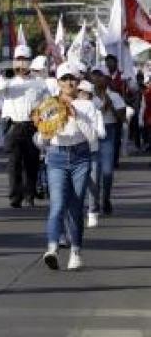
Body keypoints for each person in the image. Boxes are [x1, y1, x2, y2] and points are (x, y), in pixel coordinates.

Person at [35, 63, 101, 271]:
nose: (68, 83)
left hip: (80, 156)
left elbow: (92, 139)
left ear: (78, 81)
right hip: (56, 157)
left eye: (72, 79)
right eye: (64, 79)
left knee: (75, 205)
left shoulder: (87, 106)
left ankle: (75, 251)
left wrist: (75, 115)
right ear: (58, 82)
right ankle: (52, 248)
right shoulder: (48, 105)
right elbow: (40, 138)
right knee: (57, 204)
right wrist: (42, 133)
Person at [0, 45, 48, 208]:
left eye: (25, 60)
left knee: (31, 163)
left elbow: (47, 102)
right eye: (19, 60)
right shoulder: (8, 80)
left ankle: (29, 194)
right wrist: (7, 76)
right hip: (13, 125)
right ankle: (15, 196)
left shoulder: (38, 82)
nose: (22, 64)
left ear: (30, 63)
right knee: (14, 162)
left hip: (32, 125)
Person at [87, 64, 126, 222]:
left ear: (107, 78)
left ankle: (106, 199)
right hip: (92, 134)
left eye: (100, 75)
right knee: (94, 174)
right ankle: (93, 205)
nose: (96, 78)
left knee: (107, 172)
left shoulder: (115, 96)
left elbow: (122, 118)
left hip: (108, 133)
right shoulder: (86, 95)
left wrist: (111, 106)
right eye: (94, 75)